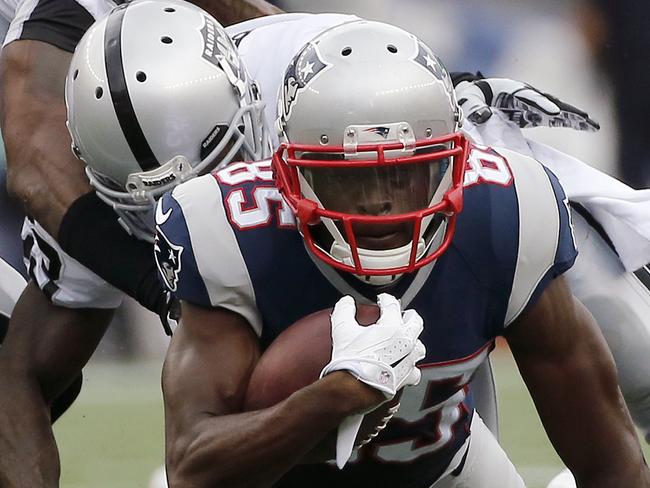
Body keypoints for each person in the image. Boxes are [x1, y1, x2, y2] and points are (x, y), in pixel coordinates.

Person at [156, 20, 649, 487]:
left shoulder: (505, 215)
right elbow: (193, 469)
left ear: (455, 165)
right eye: (347, 177)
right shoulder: (231, 232)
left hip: (443, 471)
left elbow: (607, 457)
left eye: (404, 174)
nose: (379, 202)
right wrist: (332, 398)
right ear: (289, 175)